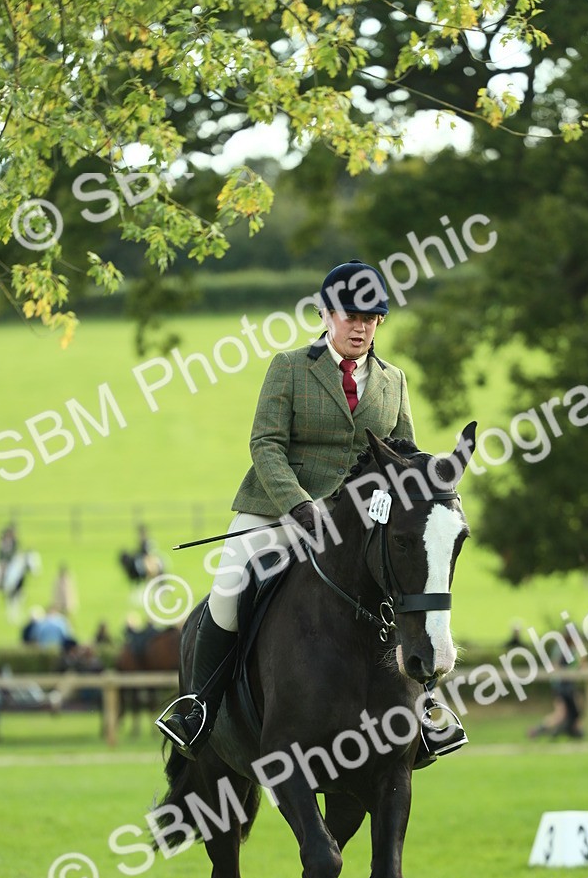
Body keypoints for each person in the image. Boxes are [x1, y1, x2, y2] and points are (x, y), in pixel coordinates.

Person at [155, 258, 467, 763]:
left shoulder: (393, 381)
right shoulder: (290, 367)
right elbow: (266, 444)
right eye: (350, 316)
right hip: (278, 510)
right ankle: (199, 708)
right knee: (230, 588)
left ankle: (428, 712)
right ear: (326, 314)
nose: (361, 326)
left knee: (412, 582)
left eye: (371, 318)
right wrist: (299, 505)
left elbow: (404, 450)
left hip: (359, 522)